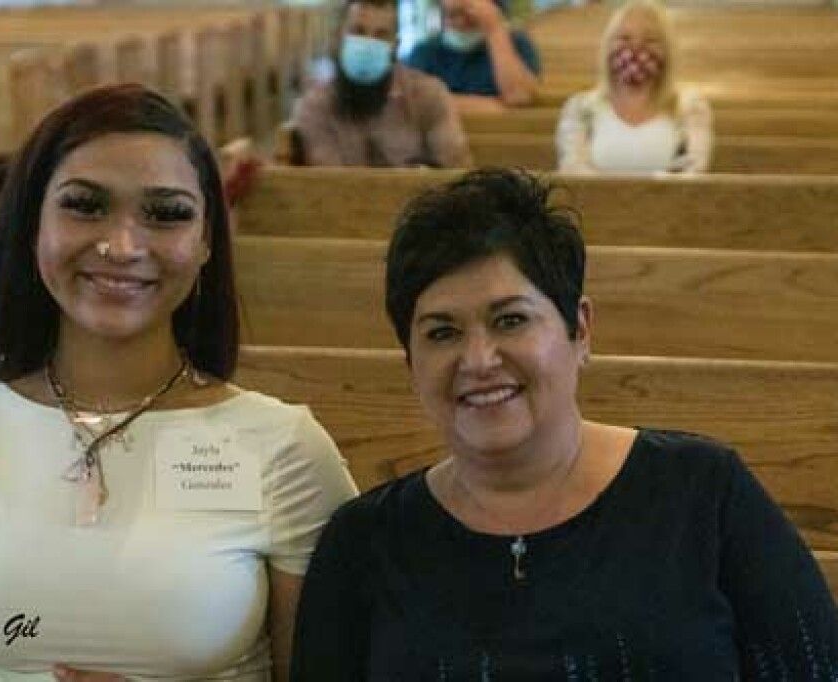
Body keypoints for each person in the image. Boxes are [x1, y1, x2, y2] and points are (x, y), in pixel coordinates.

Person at [0, 84, 358, 682]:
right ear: (32, 225)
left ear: (206, 241)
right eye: (85, 204)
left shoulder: (285, 449)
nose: (123, 246)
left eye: (167, 213)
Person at [289, 168, 838, 679]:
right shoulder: (364, 544)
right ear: (410, 363)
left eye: (510, 321)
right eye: (441, 333)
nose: (479, 360)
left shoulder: (702, 494)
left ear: (580, 329)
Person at [292, 0, 472, 168]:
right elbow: (327, 185)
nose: (368, 44)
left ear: (396, 45)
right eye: (358, 31)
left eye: (381, 35)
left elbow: (456, 173)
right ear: (337, 38)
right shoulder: (315, 106)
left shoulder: (428, 95)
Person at [556, 0, 712, 174]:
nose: (636, 48)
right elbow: (573, 171)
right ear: (608, 46)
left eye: (650, 40)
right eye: (624, 38)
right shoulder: (581, 108)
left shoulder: (689, 107)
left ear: (667, 50)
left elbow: (693, 171)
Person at [405, 0, 541, 111]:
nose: (459, 23)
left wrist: (494, 29)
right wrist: (490, 106)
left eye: (468, 15)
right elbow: (412, 102)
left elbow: (519, 96)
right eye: (452, 15)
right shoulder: (425, 51)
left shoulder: (516, 43)